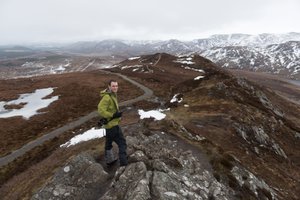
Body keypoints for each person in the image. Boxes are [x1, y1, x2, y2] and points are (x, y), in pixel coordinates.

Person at [98, 80, 128, 166]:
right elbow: (100, 110)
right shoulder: (107, 97)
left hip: (108, 126)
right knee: (122, 143)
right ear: (109, 86)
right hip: (113, 125)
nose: (115, 87)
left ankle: (109, 160)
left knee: (108, 143)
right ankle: (124, 163)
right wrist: (113, 115)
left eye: (116, 86)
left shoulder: (112, 95)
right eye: (113, 86)